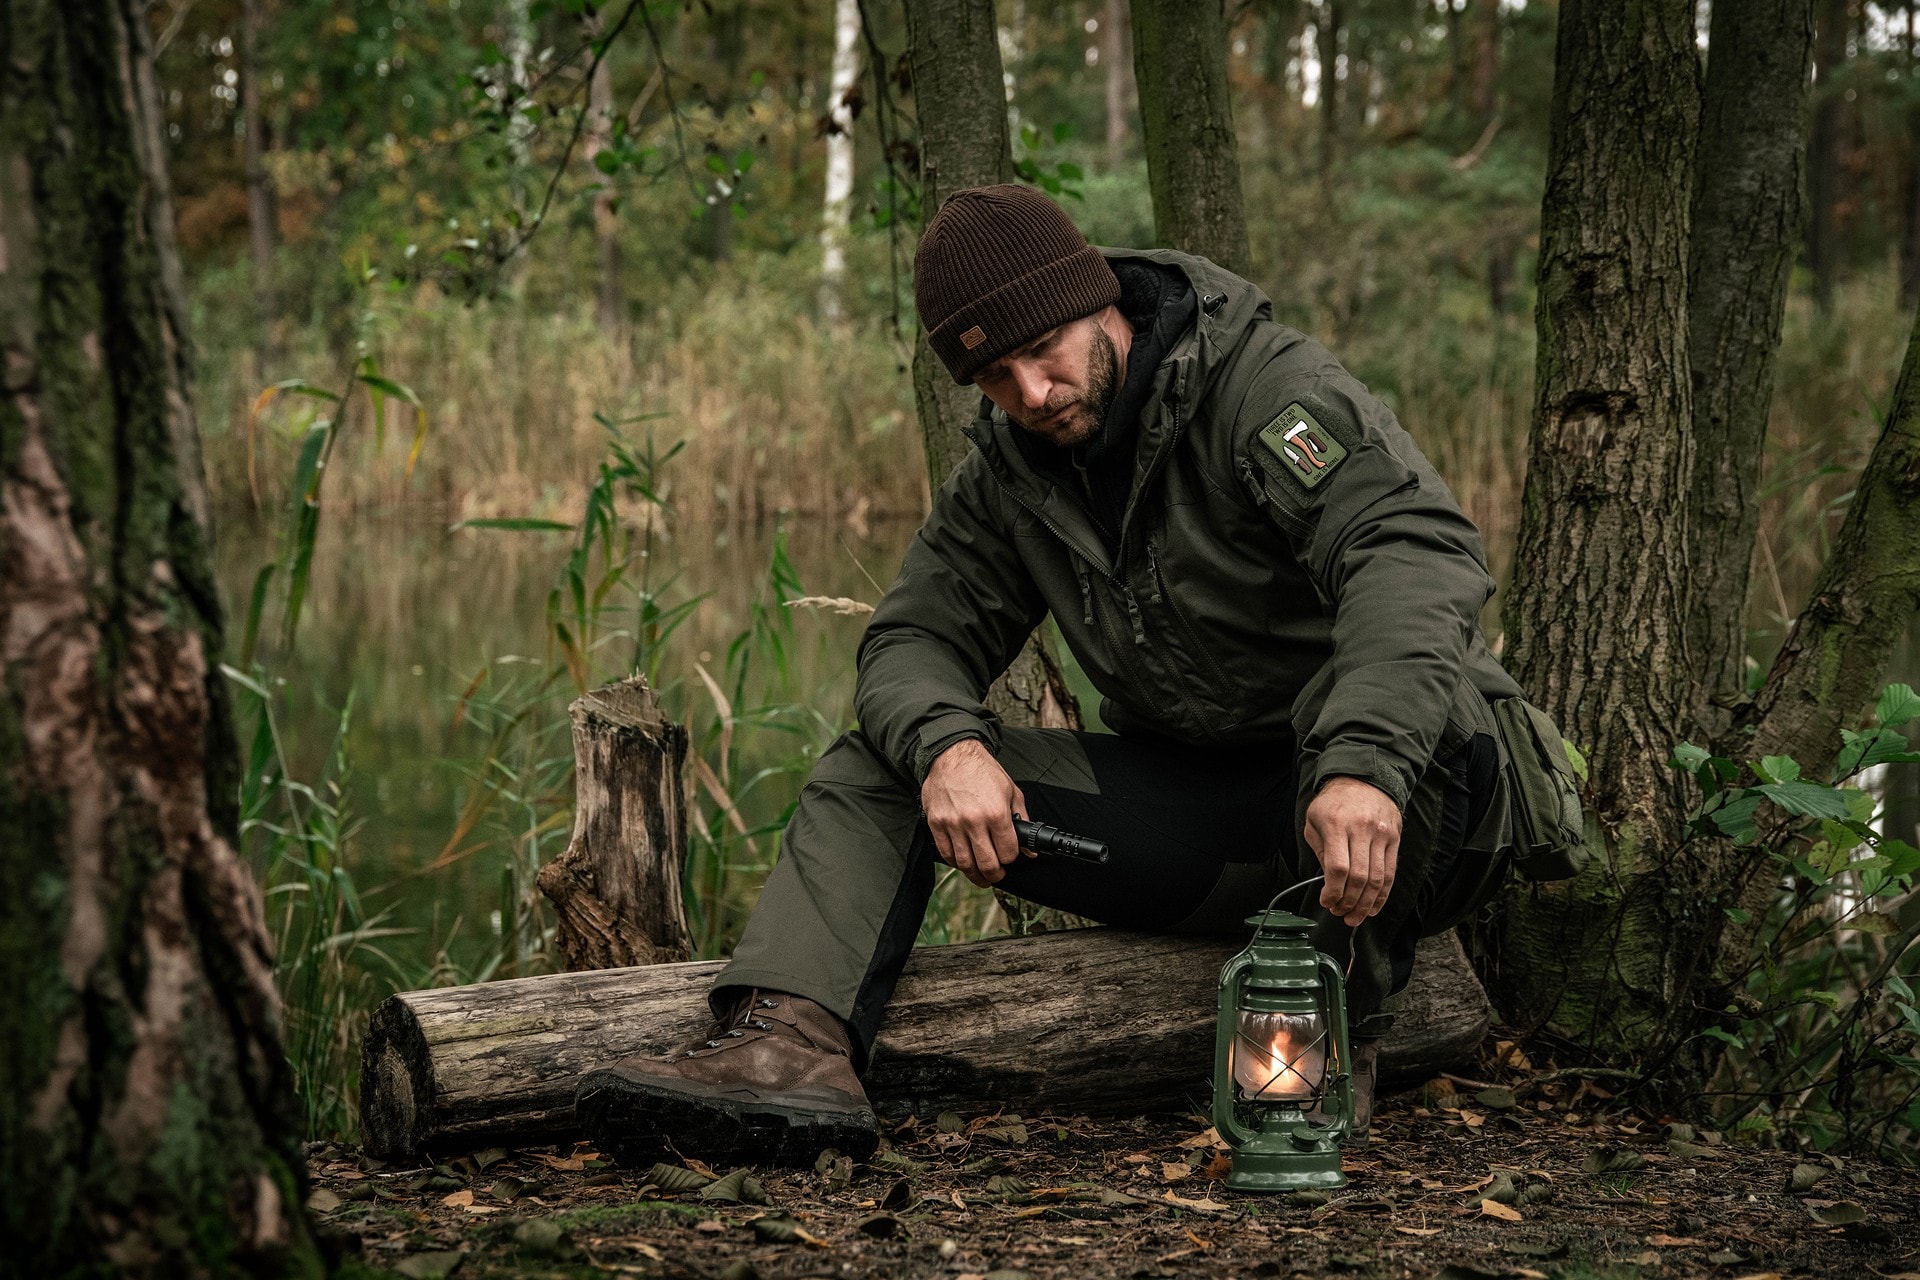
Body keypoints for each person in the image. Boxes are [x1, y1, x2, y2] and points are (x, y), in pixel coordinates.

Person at [575, 184, 1522, 1167]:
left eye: (1045, 351)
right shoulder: (1012, 471)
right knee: (881, 763)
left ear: (1100, 296)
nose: (1029, 393)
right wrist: (949, 744)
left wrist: (1364, 762)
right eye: (992, 375)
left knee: (1410, 703)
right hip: (1209, 819)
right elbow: (911, 639)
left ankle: (1324, 1053)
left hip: (1400, 808)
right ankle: (786, 1052)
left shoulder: (1263, 389)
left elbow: (1411, 549)